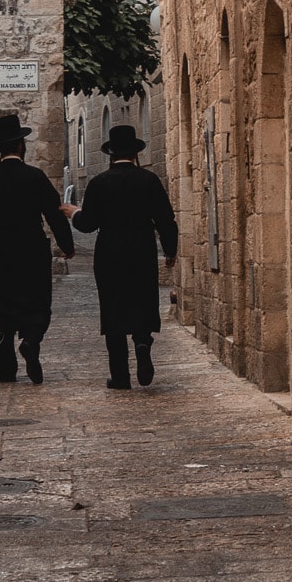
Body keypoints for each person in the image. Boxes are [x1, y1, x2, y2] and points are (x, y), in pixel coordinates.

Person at [0, 111, 75, 384]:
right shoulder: (35, 177)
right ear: (20, 145)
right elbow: (54, 213)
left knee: (1, 305)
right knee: (37, 301)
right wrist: (66, 245)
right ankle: (31, 341)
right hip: (32, 249)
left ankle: (7, 369)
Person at [71, 123, 178, 389]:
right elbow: (166, 219)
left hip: (109, 253)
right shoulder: (149, 180)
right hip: (141, 248)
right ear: (136, 154)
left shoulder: (99, 183)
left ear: (111, 154)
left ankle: (120, 376)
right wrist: (170, 250)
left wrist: (72, 213)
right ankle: (142, 342)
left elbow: (87, 224)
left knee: (113, 307)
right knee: (142, 298)